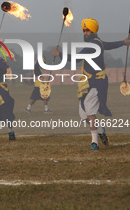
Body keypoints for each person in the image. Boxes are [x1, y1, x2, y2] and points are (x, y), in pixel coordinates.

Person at [53, 18, 130, 151]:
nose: (85, 32)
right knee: (84, 115)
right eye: (84, 30)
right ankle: (101, 130)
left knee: (90, 112)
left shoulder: (94, 45)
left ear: (93, 30)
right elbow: (108, 45)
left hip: (96, 83)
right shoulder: (97, 43)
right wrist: (123, 42)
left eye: (87, 30)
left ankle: (94, 142)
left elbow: (76, 58)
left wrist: (59, 54)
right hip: (86, 83)